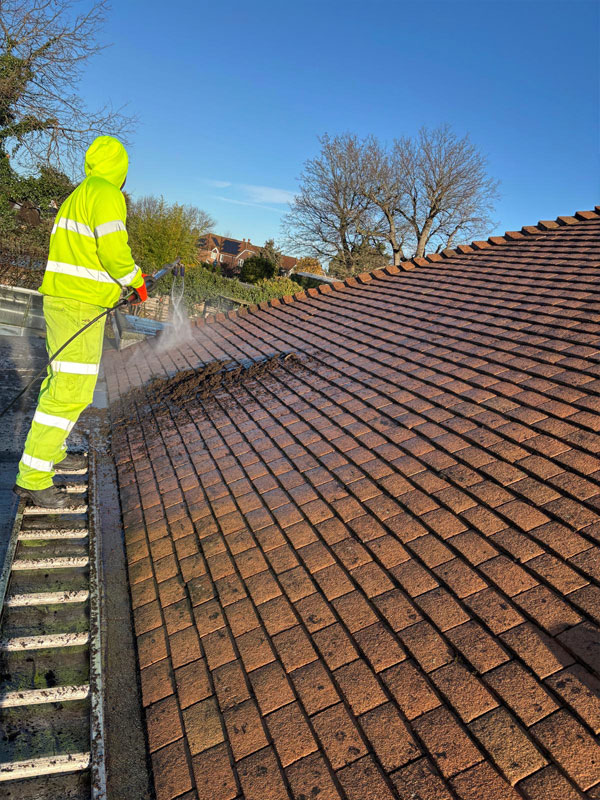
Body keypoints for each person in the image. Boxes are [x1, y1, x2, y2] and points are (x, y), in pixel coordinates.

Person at [13, 135, 147, 508]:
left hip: (67, 301)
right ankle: (33, 478)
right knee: (71, 391)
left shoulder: (80, 194)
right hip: (79, 305)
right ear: (121, 169)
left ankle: (49, 454)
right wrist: (136, 280)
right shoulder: (107, 194)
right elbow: (113, 251)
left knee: (61, 383)